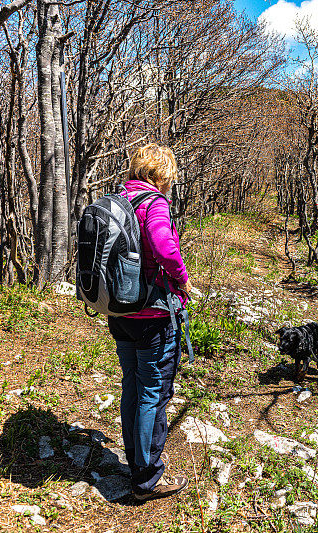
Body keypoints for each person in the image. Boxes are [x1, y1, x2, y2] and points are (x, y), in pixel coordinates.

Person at [107, 143, 192, 501]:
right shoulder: (153, 203)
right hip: (152, 315)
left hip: (118, 312)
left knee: (133, 386)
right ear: (160, 174)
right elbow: (163, 246)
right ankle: (146, 478)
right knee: (153, 393)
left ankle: (138, 459)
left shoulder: (117, 200)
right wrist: (183, 277)